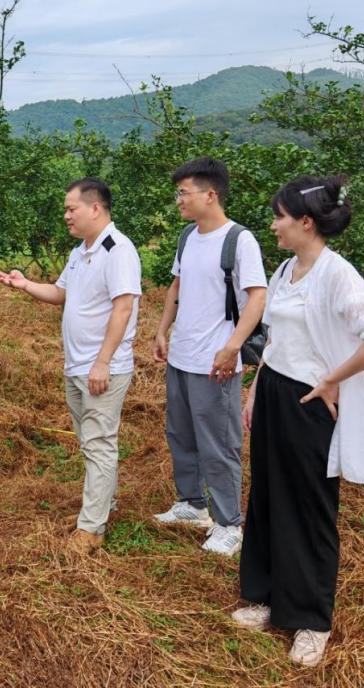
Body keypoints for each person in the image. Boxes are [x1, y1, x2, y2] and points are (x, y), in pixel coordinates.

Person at [233, 175, 364, 667]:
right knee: (266, 496)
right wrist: (256, 390)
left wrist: (332, 379)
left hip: (308, 402)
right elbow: (276, 338)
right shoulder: (287, 268)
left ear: (306, 222)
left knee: (309, 507)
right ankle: (263, 595)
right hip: (274, 391)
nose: (274, 225)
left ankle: (311, 620)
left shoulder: (337, 274)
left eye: (280, 217)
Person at [0, 179, 141, 554]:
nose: (66, 215)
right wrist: (25, 284)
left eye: (71, 208)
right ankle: (105, 503)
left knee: (99, 443)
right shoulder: (80, 251)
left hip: (102, 367)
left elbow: (123, 308)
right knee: (90, 442)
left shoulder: (118, 250)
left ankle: (91, 529)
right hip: (77, 366)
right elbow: (61, 293)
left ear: (95, 208)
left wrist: (102, 362)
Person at [152, 157, 267, 556]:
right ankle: (191, 503)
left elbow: (257, 296)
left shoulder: (239, 240)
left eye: (184, 193)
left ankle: (229, 523)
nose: (179, 200)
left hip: (215, 362)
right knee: (180, 434)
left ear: (211, 195)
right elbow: (176, 287)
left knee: (218, 443)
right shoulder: (188, 236)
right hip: (182, 356)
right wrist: (162, 330)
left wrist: (232, 346)